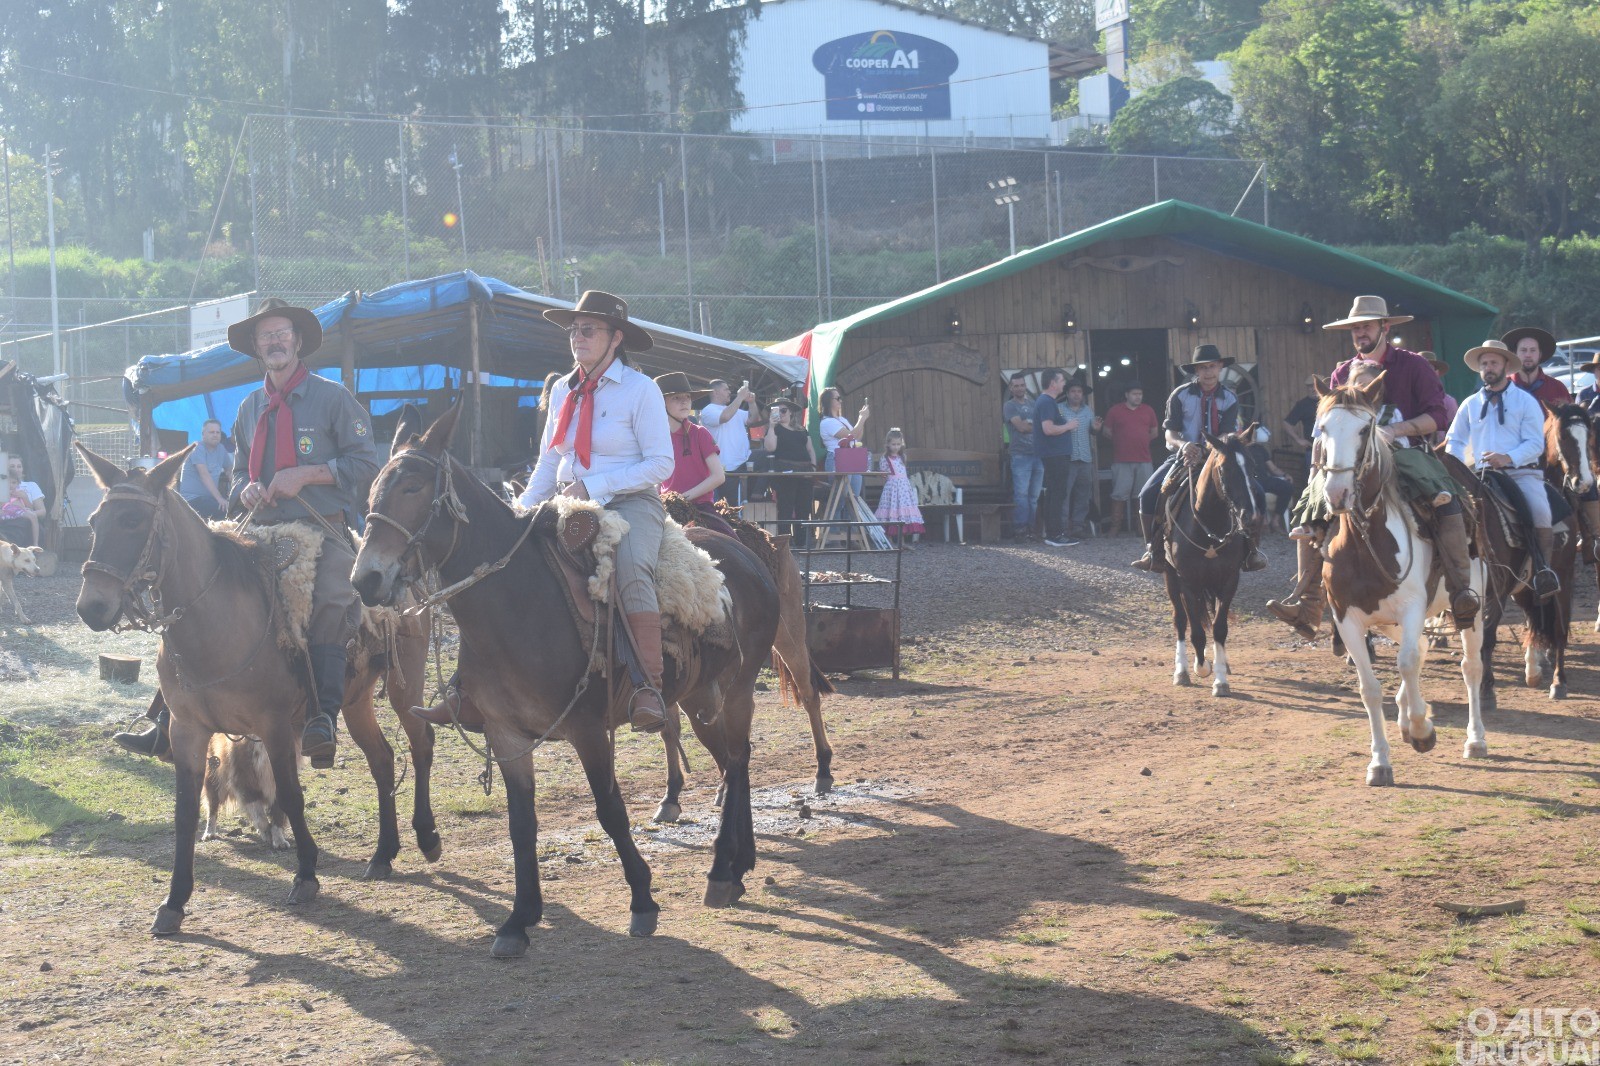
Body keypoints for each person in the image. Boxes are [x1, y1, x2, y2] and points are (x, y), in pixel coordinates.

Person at [114, 299, 380, 763]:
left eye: (282, 335)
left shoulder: (332, 397)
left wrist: (306, 474)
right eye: (266, 337)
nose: (274, 343)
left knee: (332, 600)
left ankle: (322, 716)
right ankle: (165, 717)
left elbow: (365, 462)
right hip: (259, 528)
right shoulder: (249, 406)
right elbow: (236, 477)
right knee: (196, 587)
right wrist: (248, 489)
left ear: (297, 342)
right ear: (257, 348)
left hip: (323, 529)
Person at [1266, 296, 1479, 637]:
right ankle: (1307, 604)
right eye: (1355, 327)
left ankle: (1460, 591)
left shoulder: (1413, 366)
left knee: (1445, 495)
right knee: (1309, 508)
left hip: (1406, 452)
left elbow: (1438, 415)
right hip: (1350, 459)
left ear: (1385, 326)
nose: (1359, 332)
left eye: (1366, 325)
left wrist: (1395, 429)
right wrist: (1318, 463)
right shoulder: (1341, 373)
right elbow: (1324, 427)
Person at [515, 291, 675, 733]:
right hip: (569, 501)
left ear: (615, 337)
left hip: (629, 500)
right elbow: (550, 460)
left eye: (589, 330)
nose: (577, 338)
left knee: (629, 568)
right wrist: (522, 509)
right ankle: (479, 682)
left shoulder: (642, 390)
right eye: (573, 330)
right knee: (511, 563)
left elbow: (662, 464)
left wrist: (597, 485)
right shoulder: (564, 389)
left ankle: (648, 685)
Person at [1131, 345, 1266, 572]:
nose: (1208, 372)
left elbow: (1228, 433)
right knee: (1147, 494)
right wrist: (1184, 446)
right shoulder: (1180, 395)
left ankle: (1252, 551)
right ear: (1195, 370)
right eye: (1203, 368)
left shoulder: (1230, 398)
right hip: (1183, 457)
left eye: (1212, 366)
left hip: (1219, 458)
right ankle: (1153, 550)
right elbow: (1169, 432)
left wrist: (1211, 448)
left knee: (1258, 494)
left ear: (1220, 366)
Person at [1446, 339, 1559, 601]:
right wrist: (1453, 464)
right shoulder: (1470, 404)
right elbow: (1454, 440)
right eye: (1484, 363)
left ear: (1506, 365)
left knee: (1541, 512)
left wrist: (1507, 457)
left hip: (1522, 473)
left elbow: (1535, 443)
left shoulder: (1526, 401)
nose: (1488, 367)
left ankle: (1544, 570)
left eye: (1493, 362)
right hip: (1480, 476)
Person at [658, 372, 735, 536]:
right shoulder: (655, 438)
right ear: (661, 403)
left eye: (687, 396)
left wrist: (682, 499)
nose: (685, 401)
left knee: (736, 545)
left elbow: (718, 476)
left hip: (701, 507)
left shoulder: (700, 433)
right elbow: (655, 479)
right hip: (664, 508)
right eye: (676, 398)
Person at [1101, 382, 1158, 535]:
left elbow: (1154, 432)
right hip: (1121, 459)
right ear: (1126, 395)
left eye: (1140, 394)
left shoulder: (1148, 410)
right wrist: (1122, 441)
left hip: (1144, 459)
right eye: (1134, 394)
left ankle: (1141, 529)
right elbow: (1106, 431)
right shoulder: (1115, 411)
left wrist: (1141, 441)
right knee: (1119, 494)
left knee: (1142, 495)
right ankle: (1115, 527)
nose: (1138, 396)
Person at [764, 398, 817, 546]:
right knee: (785, 508)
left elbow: (810, 449)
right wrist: (771, 426)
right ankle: (784, 544)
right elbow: (770, 447)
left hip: (805, 471)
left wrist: (813, 467)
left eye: (783, 410)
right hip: (785, 472)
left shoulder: (801, 429)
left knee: (803, 508)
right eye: (776, 410)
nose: (780, 413)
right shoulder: (774, 429)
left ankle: (801, 543)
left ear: (790, 412)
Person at [1033, 369, 1076, 547]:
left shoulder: (1046, 402)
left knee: (1054, 493)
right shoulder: (1047, 402)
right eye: (1061, 380)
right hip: (1054, 454)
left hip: (1054, 454)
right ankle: (1055, 534)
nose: (1063, 384)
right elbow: (1048, 429)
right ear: (1053, 383)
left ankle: (1053, 533)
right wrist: (1068, 426)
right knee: (1057, 493)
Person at [699, 379, 758, 505]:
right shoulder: (708, 410)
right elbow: (725, 417)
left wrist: (752, 403)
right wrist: (740, 397)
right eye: (726, 389)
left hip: (741, 465)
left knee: (736, 509)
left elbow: (753, 420)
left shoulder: (733, 409)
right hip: (723, 468)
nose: (729, 392)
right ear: (715, 392)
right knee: (726, 509)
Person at [1057, 375, 1100, 541]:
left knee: (1083, 494)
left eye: (1079, 391)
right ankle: (1062, 528)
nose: (1076, 394)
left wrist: (1096, 428)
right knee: (1064, 494)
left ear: (1083, 394)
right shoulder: (1059, 409)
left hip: (1085, 458)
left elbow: (1093, 432)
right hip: (1067, 458)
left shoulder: (1088, 411)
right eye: (1073, 391)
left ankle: (1077, 526)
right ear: (1067, 393)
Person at [1003, 374, 1043, 539]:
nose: (1019, 388)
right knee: (1021, 494)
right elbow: (1021, 428)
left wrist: (1032, 425)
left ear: (1026, 387)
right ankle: (1020, 528)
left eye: (1021, 385)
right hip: (1020, 455)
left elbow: (1037, 425)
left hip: (1038, 454)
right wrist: (1036, 426)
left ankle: (1031, 529)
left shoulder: (1034, 404)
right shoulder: (1009, 406)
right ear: (1011, 388)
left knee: (1034, 496)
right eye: (1016, 386)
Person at [818, 386, 870, 505]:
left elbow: (856, 437)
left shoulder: (842, 419)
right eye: (838, 398)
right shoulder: (827, 422)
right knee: (839, 502)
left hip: (851, 459)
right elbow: (850, 436)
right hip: (837, 460)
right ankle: (836, 524)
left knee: (853, 502)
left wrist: (862, 420)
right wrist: (861, 419)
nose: (841, 400)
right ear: (828, 401)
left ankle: (851, 524)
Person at [874, 428, 924, 543]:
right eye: (893, 444)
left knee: (901, 514)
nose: (896, 447)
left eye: (898, 444)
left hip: (904, 491)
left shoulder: (903, 457)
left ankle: (902, 542)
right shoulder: (885, 458)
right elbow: (884, 474)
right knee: (891, 512)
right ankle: (889, 540)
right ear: (888, 444)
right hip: (892, 490)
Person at [177, 418, 233, 521]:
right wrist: (220, 498)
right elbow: (204, 475)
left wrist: (235, 485)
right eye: (211, 432)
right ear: (203, 434)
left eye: (218, 432)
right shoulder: (197, 448)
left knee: (235, 509)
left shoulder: (221, 449)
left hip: (208, 499)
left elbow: (229, 469)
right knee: (225, 511)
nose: (215, 435)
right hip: (191, 500)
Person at [1506, 326, 1572, 408]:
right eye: (1523, 350)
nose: (1528, 355)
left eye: (1533, 350)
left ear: (1540, 354)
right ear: (1515, 354)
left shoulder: (1557, 388)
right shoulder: (1504, 387)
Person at [1246, 426, 1295, 533]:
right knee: (1256, 492)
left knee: (1287, 487)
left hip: (1264, 479)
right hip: (1251, 481)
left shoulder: (1261, 449)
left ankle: (1275, 521)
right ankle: (1263, 522)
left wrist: (1285, 474)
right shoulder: (1243, 448)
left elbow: (1273, 468)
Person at [1282, 374, 1320, 483]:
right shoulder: (1303, 404)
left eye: (1315, 386)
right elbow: (1287, 423)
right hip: (1313, 450)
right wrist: (1298, 439)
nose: (1312, 389)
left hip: (1333, 449)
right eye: (1309, 387)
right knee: (1313, 482)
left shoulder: (1332, 401)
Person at [0, 455, 45, 547]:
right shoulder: (2, 486)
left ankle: (14, 544)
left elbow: (42, 512)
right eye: (12, 466)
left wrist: (24, 499)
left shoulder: (31, 486)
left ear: (23, 469)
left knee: (23, 521)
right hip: (5, 518)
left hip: (24, 519)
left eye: (19, 466)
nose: (16, 469)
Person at [1423, 353, 1458, 447]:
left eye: (1429, 369)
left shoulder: (1449, 402)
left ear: (1436, 373)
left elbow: (1455, 435)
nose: (1424, 373)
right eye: (1420, 369)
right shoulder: (1406, 402)